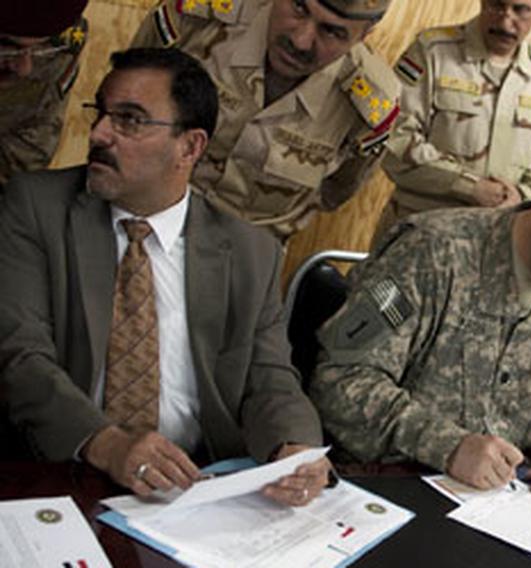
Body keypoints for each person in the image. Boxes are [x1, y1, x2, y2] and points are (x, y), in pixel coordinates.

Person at [0, 48, 329, 507]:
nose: (98, 133)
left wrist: (292, 448)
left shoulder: (250, 252)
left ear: (190, 146)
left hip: (196, 485)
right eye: (101, 113)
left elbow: (268, 376)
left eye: (130, 120)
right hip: (68, 473)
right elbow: (20, 354)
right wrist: (106, 441)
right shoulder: (37, 208)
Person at [311, 159, 531, 509]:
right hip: (384, 494)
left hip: (501, 511)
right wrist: (446, 445)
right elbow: (339, 381)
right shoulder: (433, 250)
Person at [131, 0, 400, 240]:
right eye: (299, 7)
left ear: (365, 34)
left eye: (331, 31)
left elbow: (334, 192)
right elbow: (123, 109)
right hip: (140, 220)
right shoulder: (198, 19)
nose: (301, 40)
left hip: (244, 263)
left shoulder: (370, 106)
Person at [376, 0, 531, 239]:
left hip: (494, 244)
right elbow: (393, 140)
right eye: (497, 5)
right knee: (385, 280)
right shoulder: (432, 51)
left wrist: (520, 196)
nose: (505, 20)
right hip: (418, 232)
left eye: (520, 9)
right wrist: (469, 186)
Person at [1, 0, 89, 186]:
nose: (25, 69)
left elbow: (31, 147)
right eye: (6, 46)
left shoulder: (61, 33)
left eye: (38, 49)